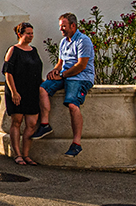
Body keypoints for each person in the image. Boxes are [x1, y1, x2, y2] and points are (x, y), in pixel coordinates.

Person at [40, 13, 95, 157]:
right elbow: (61, 63)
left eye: (64, 26)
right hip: (65, 75)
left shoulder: (83, 41)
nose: (61, 29)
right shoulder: (64, 42)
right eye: (60, 26)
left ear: (73, 26)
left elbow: (81, 65)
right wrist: (54, 72)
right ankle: (44, 125)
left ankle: (76, 143)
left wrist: (62, 75)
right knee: (43, 88)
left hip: (80, 77)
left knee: (72, 104)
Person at [3, 21, 44, 165]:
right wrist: (14, 92)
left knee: (32, 124)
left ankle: (26, 154)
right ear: (20, 34)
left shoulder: (34, 50)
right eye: (28, 33)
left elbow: (37, 71)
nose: (31, 36)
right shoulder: (13, 50)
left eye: (32, 33)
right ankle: (17, 154)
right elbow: (8, 73)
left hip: (32, 92)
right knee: (17, 122)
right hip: (17, 91)